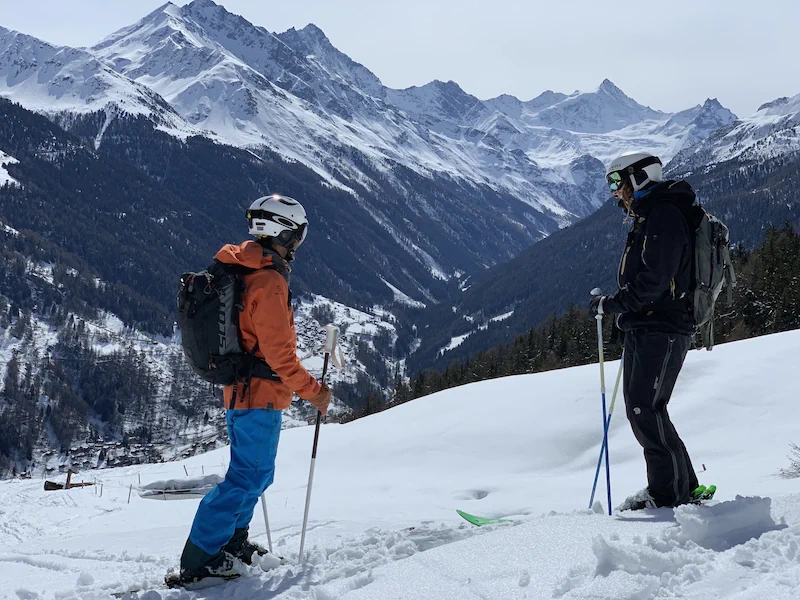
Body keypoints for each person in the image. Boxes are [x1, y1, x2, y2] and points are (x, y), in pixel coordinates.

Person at [178, 194, 332, 582]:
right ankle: (200, 559)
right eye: (297, 235)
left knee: (254, 473)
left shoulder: (242, 267)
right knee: (248, 476)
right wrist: (315, 391)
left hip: (241, 390)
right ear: (285, 233)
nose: (298, 243)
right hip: (259, 394)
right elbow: (280, 356)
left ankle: (231, 542)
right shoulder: (269, 280)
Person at [589, 152, 700, 511]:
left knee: (643, 408)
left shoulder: (664, 214)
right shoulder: (650, 214)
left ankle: (666, 496)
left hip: (662, 328)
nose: (613, 192)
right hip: (649, 326)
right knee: (651, 408)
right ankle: (685, 489)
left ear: (637, 177)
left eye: (615, 182)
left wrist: (613, 305)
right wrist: (627, 316)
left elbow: (654, 281)